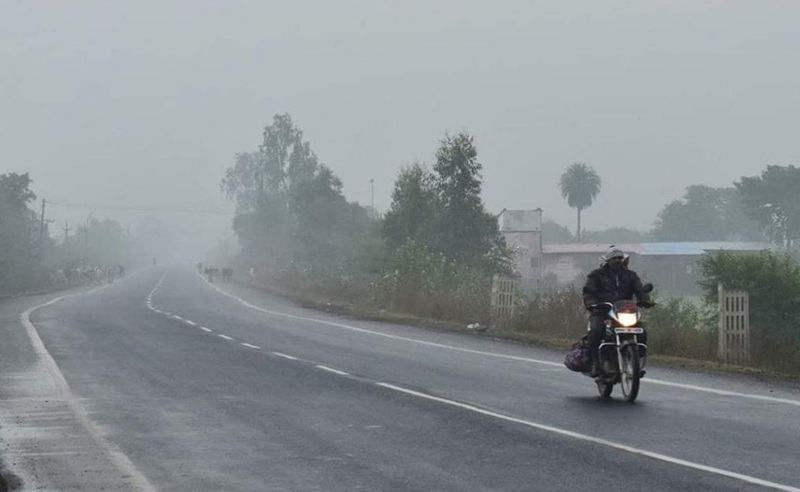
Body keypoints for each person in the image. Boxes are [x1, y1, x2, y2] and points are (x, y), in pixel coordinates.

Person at [582, 246, 654, 377]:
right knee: (596, 330)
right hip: (602, 312)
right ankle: (596, 365)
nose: (617, 261)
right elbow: (588, 292)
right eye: (614, 258)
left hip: (624, 312)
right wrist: (592, 303)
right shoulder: (596, 275)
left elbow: (639, 290)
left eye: (620, 258)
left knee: (642, 331)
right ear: (608, 260)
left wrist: (644, 300)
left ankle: (635, 361)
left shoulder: (630, 275)